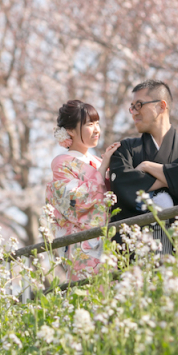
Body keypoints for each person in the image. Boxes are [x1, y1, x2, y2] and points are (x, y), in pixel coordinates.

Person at [108, 80, 178, 254]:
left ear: (161, 106)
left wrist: (148, 167)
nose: (133, 113)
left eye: (139, 105)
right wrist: (173, 179)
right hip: (139, 251)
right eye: (131, 107)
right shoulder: (125, 149)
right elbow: (122, 185)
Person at [45, 100, 121, 279]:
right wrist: (103, 171)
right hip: (85, 245)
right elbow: (74, 201)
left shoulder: (98, 161)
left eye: (97, 123)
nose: (97, 129)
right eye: (89, 124)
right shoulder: (62, 162)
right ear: (70, 130)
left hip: (110, 239)